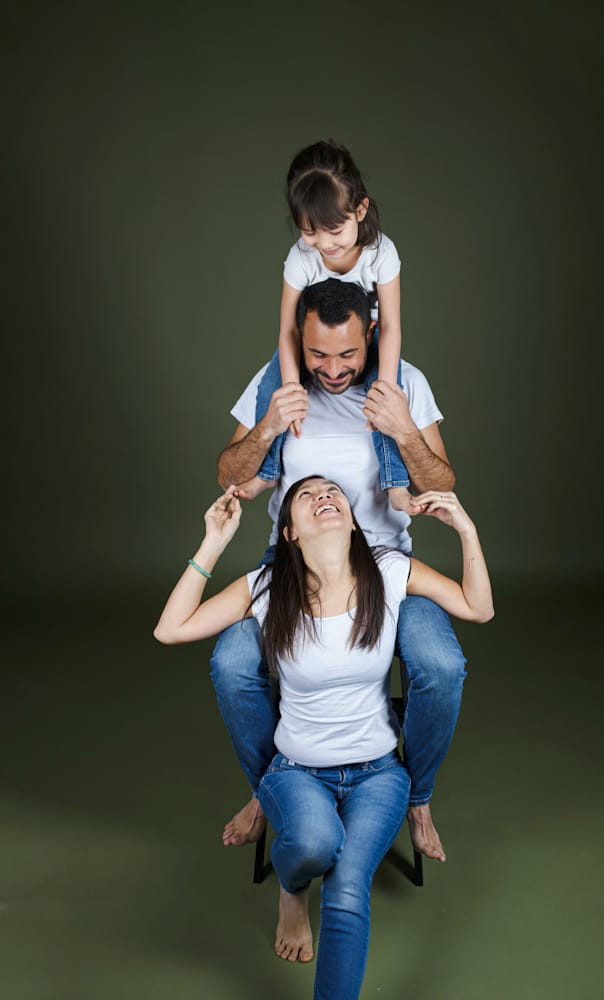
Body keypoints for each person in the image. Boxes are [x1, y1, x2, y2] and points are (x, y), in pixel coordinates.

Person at [154, 476, 494, 999]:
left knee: (347, 891)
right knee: (313, 845)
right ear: (289, 531)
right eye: (306, 496)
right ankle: (292, 893)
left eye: (333, 492)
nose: (324, 498)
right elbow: (171, 629)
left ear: (354, 520)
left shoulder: (390, 570)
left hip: (379, 774)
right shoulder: (267, 588)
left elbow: (478, 608)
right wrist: (213, 542)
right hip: (296, 772)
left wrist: (466, 531)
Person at [213, 278, 465, 864]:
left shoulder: (404, 382)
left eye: (348, 354)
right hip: (294, 567)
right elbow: (230, 473)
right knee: (230, 664)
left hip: (388, 567)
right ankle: (268, 789)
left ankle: (417, 795)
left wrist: (402, 429)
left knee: (441, 665)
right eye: (318, 354)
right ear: (300, 339)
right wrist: (267, 426)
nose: (331, 369)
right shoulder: (275, 379)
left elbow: (443, 483)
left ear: (371, 335)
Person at [255, 138, 410, 510]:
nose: (324, 243)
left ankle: (396, 482)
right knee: (272, 389)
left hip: (366, 346)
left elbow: (389, 326)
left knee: (392, 401)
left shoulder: (381, 254)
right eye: (309, 232)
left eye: (334, 230)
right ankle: (266, 471)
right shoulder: (301, 259)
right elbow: (288, 330)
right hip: (313, 348)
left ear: (360, 210)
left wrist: (384, 387)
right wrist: (291, 388)